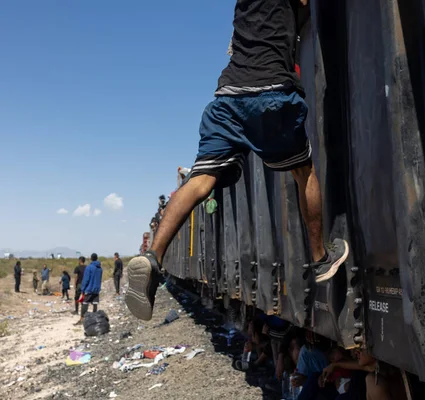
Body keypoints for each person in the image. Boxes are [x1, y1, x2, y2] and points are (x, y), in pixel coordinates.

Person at [124, 0, 350, 322]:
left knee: (200, 182)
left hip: (227, 98)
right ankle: (319, 258)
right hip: (271, 91)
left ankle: (153, 257)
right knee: (303, 172)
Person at [74, 253, 103, 325]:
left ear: (91, 258)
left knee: (85, 303)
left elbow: (86, 279)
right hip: (96, 289)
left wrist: (83, 289)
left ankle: (82, 319)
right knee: (95, 304)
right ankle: (94, 319)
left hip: (89, 289)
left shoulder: (89, 267)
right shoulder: (100, 269)